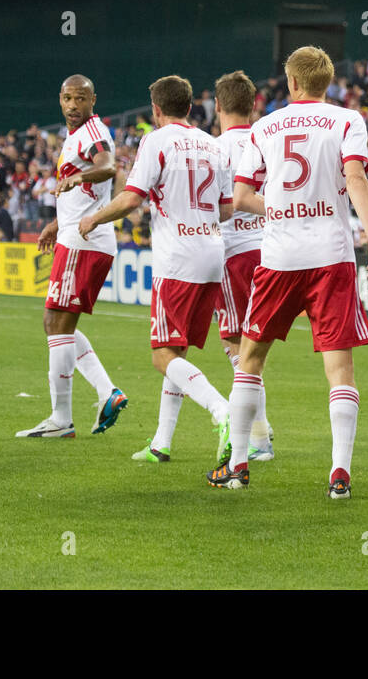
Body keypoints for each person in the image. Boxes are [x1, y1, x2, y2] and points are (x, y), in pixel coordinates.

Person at [207, 46, 368, 499]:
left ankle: (239, 463)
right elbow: (357, 180)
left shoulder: (264, 127)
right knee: (339, 368)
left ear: (291, 82)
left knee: (250, 360)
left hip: (280, 256)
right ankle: (339, 473)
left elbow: (243, 196)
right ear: (328, 82)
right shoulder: (348, 120)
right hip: (332, 255)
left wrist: (283, 210)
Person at [78, 75, 233, 462]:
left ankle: (223, 410)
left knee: (162, 357)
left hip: (177, 259)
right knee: (178, 351)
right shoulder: (214, 145)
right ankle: (161, 443)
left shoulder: (155, 141)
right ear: (190, 107)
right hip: (213, 255)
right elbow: (227, 210)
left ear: (157, 110)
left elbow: (132, 198)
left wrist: (95, 218)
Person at [15, 75, 127, 439]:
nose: (73, 105)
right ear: (59, 99)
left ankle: (62, 419)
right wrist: (56, 222)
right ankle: (105, 392)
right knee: (58, 326)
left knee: (55, 323)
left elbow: (109, 166)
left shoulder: (94, 132)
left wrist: (78, 179)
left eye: (81, 99)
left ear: (93, 100)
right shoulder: (75, 137)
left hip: (85, 242)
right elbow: (86, 194)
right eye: (68, 98)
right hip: (74, 236)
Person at [207, 70, 273, 463]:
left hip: (233, 253)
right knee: (255, 347)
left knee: (239, 350)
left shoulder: (214, 149)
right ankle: (259, 436)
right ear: (253, 105)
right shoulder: (266, 140)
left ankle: (257, 440)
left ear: (217, 105)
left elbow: (213, 205)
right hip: (272, 250)